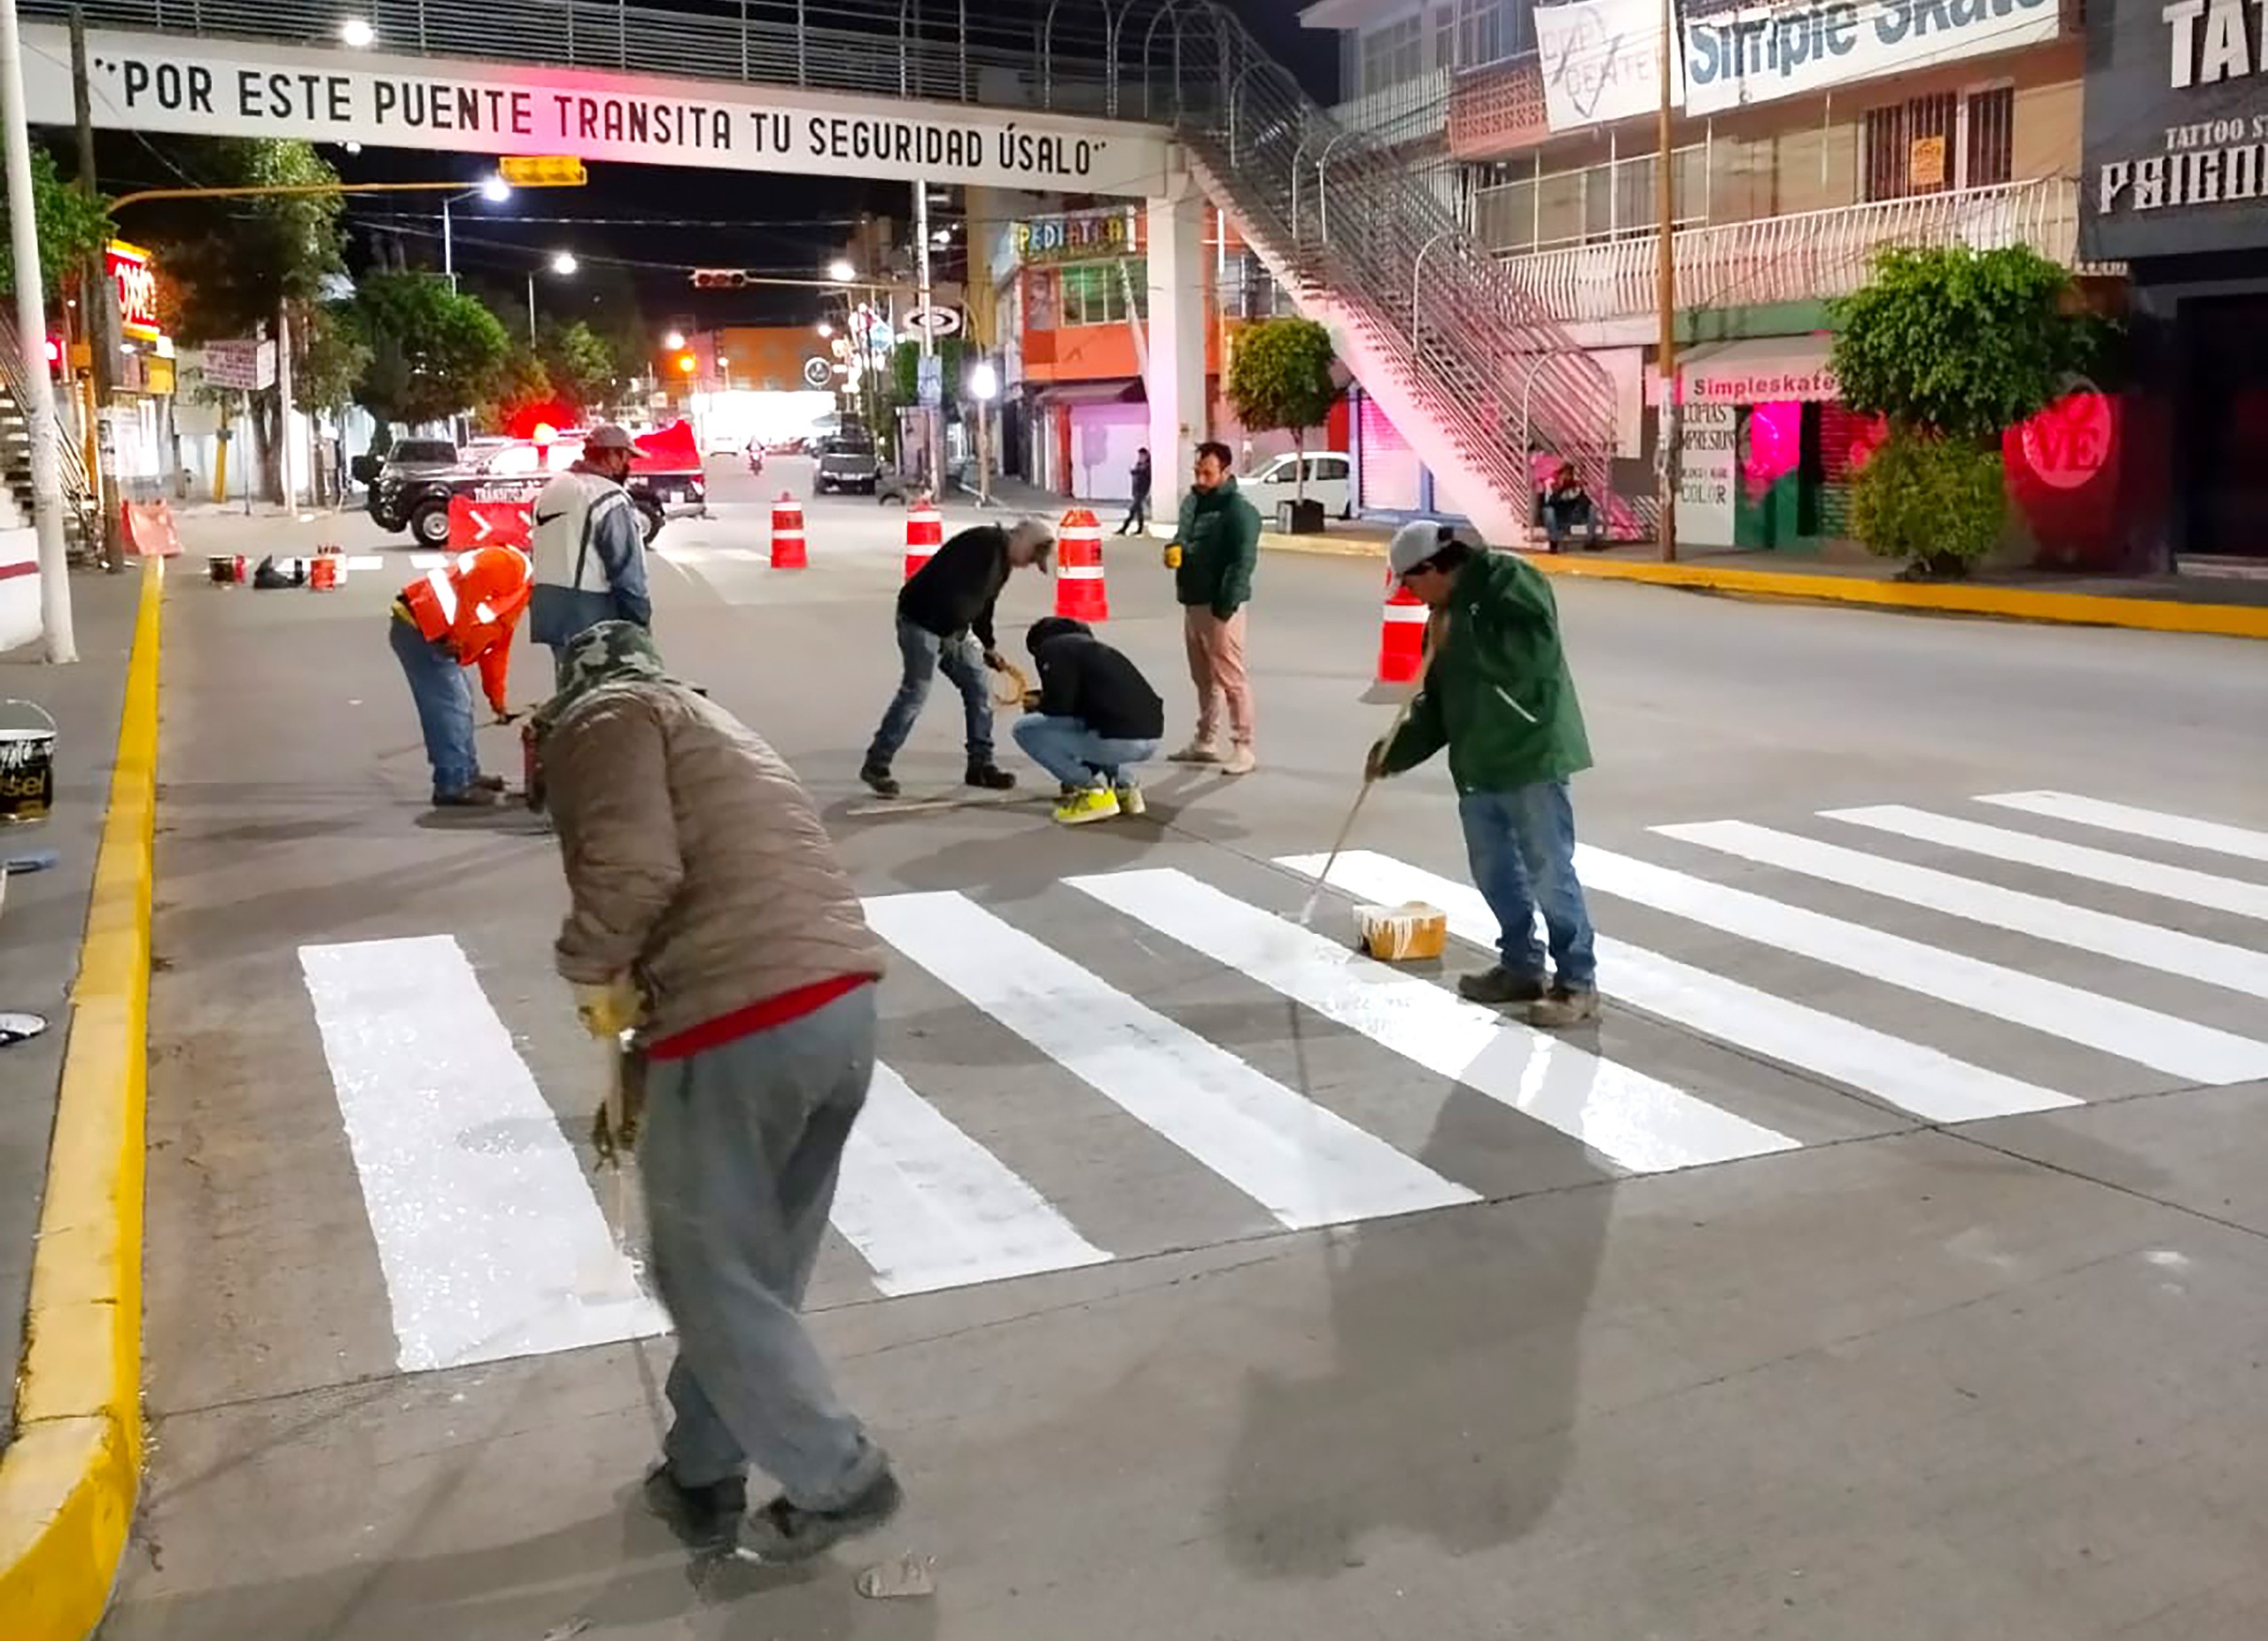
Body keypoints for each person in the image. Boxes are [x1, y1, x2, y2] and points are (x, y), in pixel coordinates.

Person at [540, 620, 901, 1563]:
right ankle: (703, 1470)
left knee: (707, 1272)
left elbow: (634, 868)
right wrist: (634, 1060)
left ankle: (838, 1475)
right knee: (753, 1270)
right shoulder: (713, 724)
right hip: (838, 1014)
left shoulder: (605, 717)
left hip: (741, 1019)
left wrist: (591, 969)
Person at [1364, 521, 1600, 1028]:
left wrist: (1473, 582)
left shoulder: (1507, 583)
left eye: (1411, 581)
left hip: (1531, 754)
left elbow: (1533, 622)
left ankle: (1577, 982)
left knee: (1550, 873)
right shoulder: (1441, 621)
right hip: (1478, 767)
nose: (1408, 592)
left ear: (1435, 567)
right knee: (1495, 873)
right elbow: (1436, 706)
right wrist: (1394, 751)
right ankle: (1521, 965)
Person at [860, 517, 1054, 798]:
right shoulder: (981, 544)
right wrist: (959, 637)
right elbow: (954, 592)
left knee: (979, 689)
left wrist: (987, 646)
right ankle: (877, 764)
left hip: (954, 630)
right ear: (1023, 539)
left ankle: (980, 765)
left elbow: (985, 604)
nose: (1027, 564)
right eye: (1031, 556)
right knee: (915, 692)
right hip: (921, 622)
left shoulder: (1002, 564)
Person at [387, 543, 532, 809]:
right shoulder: (511, 563)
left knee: (459, 703)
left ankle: (466, 773)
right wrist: (458, 636)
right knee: (450, 707)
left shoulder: (518, 595)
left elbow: (496, 650)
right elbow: (471, 586)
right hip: (420, 626)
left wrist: (497, 701)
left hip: (431, 632)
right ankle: (452, 784)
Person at [1010, 616, 1166, 825]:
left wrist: (1036, 704)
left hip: (1117, 742)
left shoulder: (1053, 648)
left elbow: (1059, 707)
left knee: (1025, 730)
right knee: (1094, 724)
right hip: (1151, 737)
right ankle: (1126, 789)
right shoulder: (1097, 651)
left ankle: (1093, 793)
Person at [1164, 440, 1262, 774]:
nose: (1201, 478)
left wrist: (1225, 608)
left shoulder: (1238, 511)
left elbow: (1242, 562)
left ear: (1226, 472)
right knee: (1204, 678)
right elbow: (1185, 537)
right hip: (1193, 602)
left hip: (1220, 607)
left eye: (1208, 472)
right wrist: (1176, 548)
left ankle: (1243, 747)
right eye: (1197, 471)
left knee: (1231, 678)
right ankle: (1205, 740)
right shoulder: (1195, 505)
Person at [530, 424, 652, 682]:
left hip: (549, 607)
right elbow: (627, 572)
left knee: (569, 692)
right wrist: (640, 625)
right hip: (591, 613)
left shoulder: (554, 486)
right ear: (611, 456)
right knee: (600, 701)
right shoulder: (609, 497)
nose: (627, 465)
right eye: (626, 457)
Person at [1540, 461, 1604, 553]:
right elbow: (1549, 503)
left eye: (1569, 474)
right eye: (1564, 474)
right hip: (1557, 516)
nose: (1567, 477)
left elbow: (1586, 503)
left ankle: (1590, 541)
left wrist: (1580, 492)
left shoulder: (1575, 486)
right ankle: (1553, 543)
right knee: (1548, 511)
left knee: (1592, 508)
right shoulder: (1551, 484)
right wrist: (1559, 489)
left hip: (1572, 514)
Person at [1116, 447, 1153, 535]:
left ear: (1146, 456)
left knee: (1132, 510)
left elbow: (1140, 472)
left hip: (1142, 491)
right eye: (1140, 455)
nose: (1141, 457)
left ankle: (1124, 528)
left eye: (1142, 455)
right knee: (1139, 511)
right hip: (1136, 491)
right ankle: (1139, 529)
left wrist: (1134, 471)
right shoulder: (1139, 464)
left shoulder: (1147, 466)